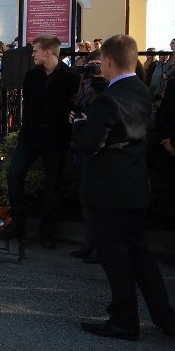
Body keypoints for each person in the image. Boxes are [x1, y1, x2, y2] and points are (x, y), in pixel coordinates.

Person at [72, 34, 175, 341]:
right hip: (134, 185)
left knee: (115, 258)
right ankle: (164, 316)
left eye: (101, 60)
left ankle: (124, 321)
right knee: (141, 256)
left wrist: (79, 124)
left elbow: (91, 144)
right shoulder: (141, 90)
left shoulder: (108, 99)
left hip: (108, 190)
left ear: (108, 61)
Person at [0, 34, 80, 249]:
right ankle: (18, 223)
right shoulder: (32, 76)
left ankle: (47, 232)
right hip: (31, 137)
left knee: (52, 185)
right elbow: (32, 105)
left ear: (48, 52)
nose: (32, 54)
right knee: (14, 174)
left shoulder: (70, 77)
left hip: (56, 139)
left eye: (35, 51)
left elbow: (71, 105)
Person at [69, 50, 107, 265]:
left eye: (97, 64)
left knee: (98, 199)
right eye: (90, 64)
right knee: (86, 196)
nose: (93, 69)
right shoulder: (85, 86)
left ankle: (99, 246)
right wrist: (73, 115)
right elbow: (78, 106)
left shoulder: (109, 87)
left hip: (98, 150)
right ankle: (90, 241)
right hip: (81, 146)